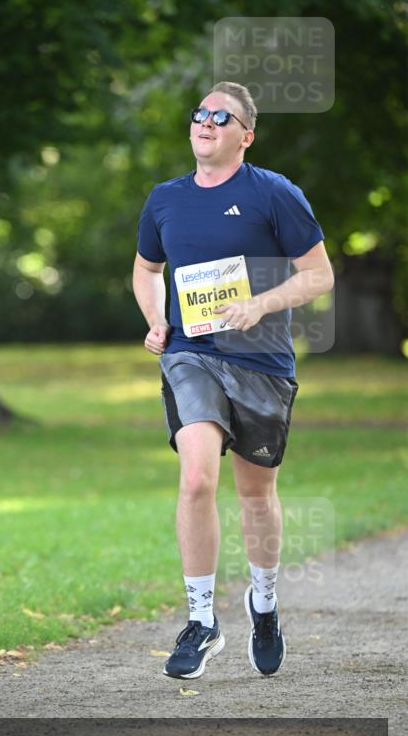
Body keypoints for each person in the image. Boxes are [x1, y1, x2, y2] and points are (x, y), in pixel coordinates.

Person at [133, 81, 334, 680]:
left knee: (256, 495)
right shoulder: (165, 199)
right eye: (200, 113)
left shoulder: (274, 194)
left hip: (262, 362)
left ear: (245, 135)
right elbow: (147, 271)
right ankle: (201, 621)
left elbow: (319, 275)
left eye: (221, 117)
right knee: (197, 477)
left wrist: (262, 304)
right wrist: (155, 320)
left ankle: (264, 603)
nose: (206, 122)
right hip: (191, 354)